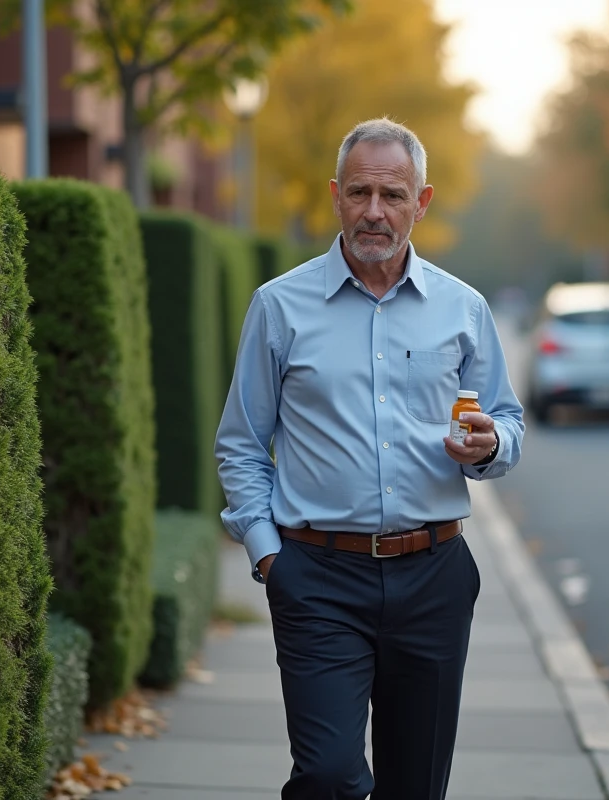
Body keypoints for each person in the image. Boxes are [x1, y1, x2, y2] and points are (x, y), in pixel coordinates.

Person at [214, 118, 525, 800]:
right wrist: (270, 555)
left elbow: (507, 419)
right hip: (318, 579)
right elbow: (241, 441)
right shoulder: (280, 306)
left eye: (393, 195)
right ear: (336, 196)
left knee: (415, 786)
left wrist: (491, 445)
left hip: (435, 575)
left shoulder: (463, 309)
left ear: (423, 201)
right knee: (328, 776)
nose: (375, 212)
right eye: (360, 193)